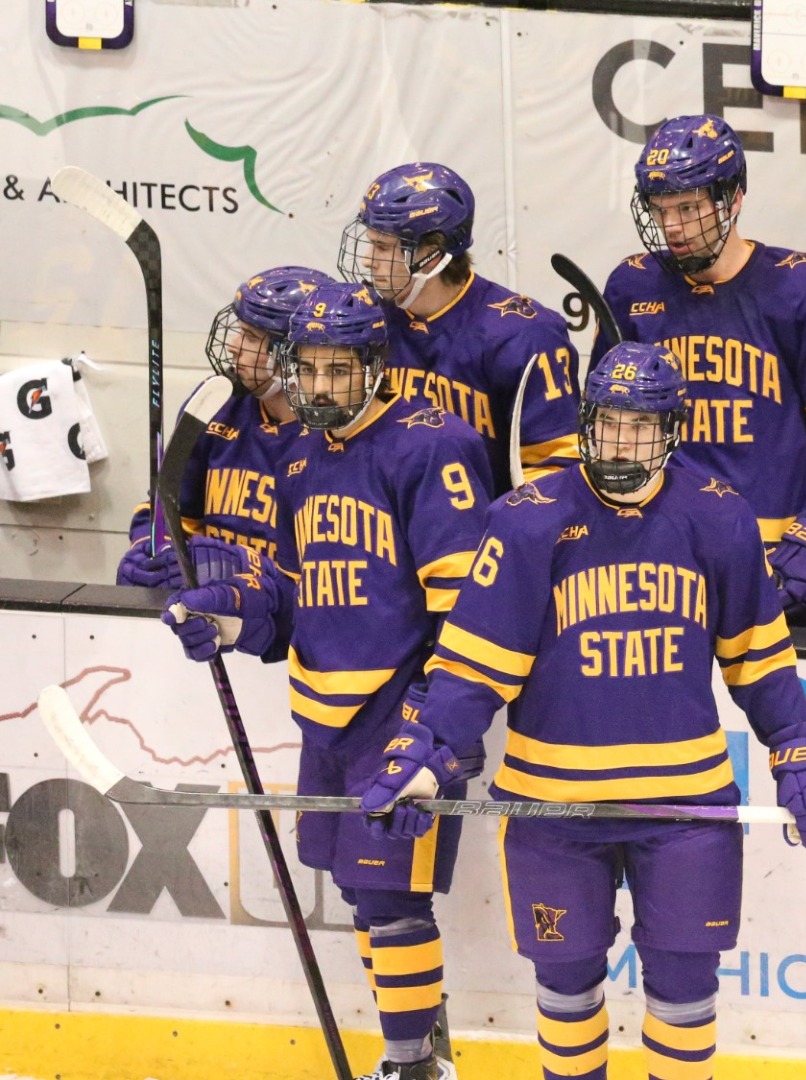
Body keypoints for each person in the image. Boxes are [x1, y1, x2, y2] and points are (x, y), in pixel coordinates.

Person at [357, 342, 806, 1080]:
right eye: (611, 423)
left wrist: (800, 747)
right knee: (566, 989)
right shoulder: (527, 522)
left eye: (643, 425)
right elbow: (473, 668)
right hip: (553, 808)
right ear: (588, 423)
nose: (624, 442)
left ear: (673, 429)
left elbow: (758, 659)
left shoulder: (719, 518)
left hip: (685, 806)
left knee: (686, 990)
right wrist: (425, 757)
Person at [161, 281, 493, 1080]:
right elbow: (290, 588)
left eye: (337, 370)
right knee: (359, 893)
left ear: (376, 367)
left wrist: (432, 724)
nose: (318, 387)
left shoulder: (431, 445)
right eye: (306, 369)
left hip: (395, 708)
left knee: (391, 900)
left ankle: (415, 1064)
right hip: (325, 713)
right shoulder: (301, 453)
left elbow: (467, 614)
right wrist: (232, 615)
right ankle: (418, 1047)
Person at [600, 114, 806, 629]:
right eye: (660, 208)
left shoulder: (805, 287)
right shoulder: (632, 286)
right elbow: (609, 429)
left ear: (733, 199)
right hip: (663, 561)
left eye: (689, 207)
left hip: (781, 560)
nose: (672, 226)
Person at [338, 161, 581, 495]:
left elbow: (555, 469)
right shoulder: (370, 319)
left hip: (488, 533)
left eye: (382, 246)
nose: (367, 259)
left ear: (432, 255)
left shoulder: (525, 335)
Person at [116, 265, 331, 585]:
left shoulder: (336, 436)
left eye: (250, 336)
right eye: (238, 330)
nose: (233, 345)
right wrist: (153, 549)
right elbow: (166, 510)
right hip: (210, 602)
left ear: (294, 355)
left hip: (284, 616)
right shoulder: (214, 404)